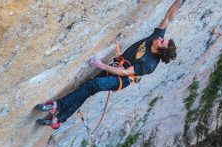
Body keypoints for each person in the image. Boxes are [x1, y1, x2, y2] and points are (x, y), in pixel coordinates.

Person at [35, 0, 183, 129]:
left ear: (160, 51)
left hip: (121, 79)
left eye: (162, 42)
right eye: (162, 39)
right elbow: (169, 18)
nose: (160, 38)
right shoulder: (156, 38)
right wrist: (178, 1)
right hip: (117, 66)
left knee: (92, 85)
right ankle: (58, 120)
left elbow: (125, 73)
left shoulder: (149, 65)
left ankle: (58, 105)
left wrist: (101, 65)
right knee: (88, 90)